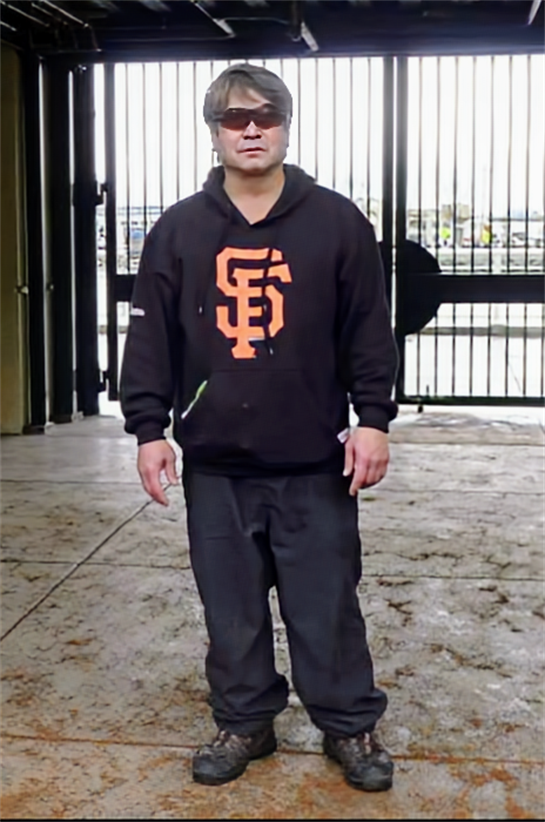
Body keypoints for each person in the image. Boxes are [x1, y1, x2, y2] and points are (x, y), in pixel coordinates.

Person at [120, 63, 399, 793]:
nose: (251, 130)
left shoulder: (336, 222)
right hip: (216, 461)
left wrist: (373, 419)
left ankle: (348, 724)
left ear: (285, 125)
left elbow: (368, 330)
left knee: (325, 604)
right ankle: (245, 721)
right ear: (213, 131)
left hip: (313, 460)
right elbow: (149, 339)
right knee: (231, 609)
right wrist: (148, 429)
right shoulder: (179, 229)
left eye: (265, 116)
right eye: (234, 119)